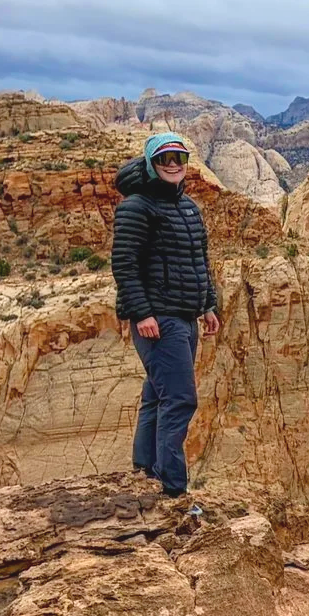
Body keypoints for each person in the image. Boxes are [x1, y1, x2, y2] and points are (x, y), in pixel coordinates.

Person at [110, 132, 222, 498]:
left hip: (185, 317)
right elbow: (124, 265)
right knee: (180, 399)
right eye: (164, 159)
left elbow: (199, 261)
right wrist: (142, 313)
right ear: (150, 164)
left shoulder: (187, 207)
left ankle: (145, 471)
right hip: (158, 320)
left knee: (158, 395)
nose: (173, 165)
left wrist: (208, 305)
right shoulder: (137, 207)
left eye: (179, 158)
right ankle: (172, 488)